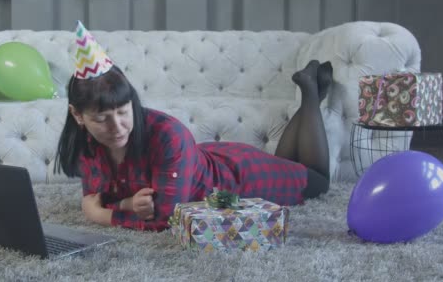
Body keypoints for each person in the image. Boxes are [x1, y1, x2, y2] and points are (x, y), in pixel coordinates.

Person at [55, 21, 332, 231]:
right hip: (206, 161)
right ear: (78, 116)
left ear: (132, 102)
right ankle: (312, 93)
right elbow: (99, 196)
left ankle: (310, 95)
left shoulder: (167, 134)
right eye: (102, 119)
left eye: (123, 111)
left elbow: (166, 218)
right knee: (286, 163)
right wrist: (127, 205)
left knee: (318, 179)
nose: (116, 126)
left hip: (237, 179)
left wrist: (101, 215)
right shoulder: (85, 143)